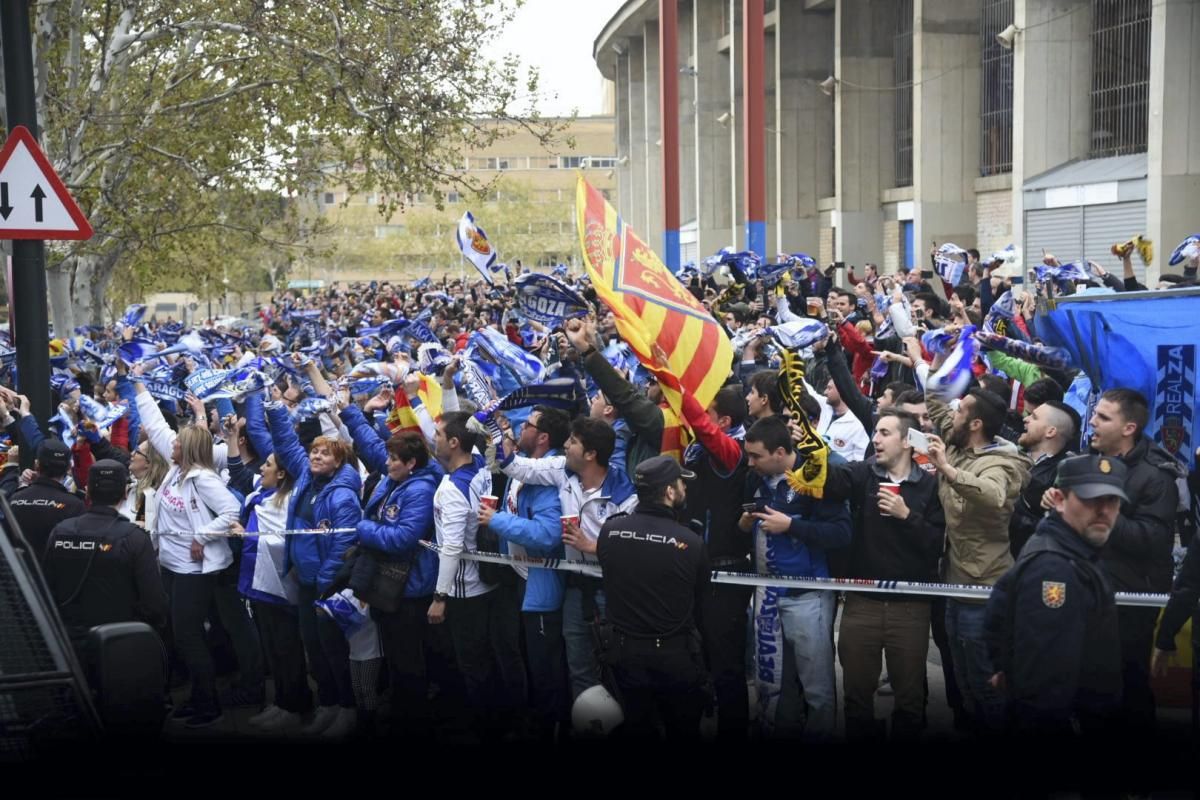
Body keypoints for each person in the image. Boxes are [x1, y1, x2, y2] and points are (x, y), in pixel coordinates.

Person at [567, 455, 709, 740]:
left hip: (624, 656)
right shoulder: (691, 542)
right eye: (680, 483)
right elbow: (701, 602)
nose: (684, 489)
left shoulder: (610, 531)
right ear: (669, 492)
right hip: (674, 656)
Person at [823, 410, 945, 740]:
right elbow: (832, 483)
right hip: (861, 604)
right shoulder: (863, 474)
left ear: (907, 441)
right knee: (856, 697)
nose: (875, 439)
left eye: (885, 433)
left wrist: (907, 516)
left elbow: (937, 545)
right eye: (875, 432)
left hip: (911, 609)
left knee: (909, 700)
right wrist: (810, 449)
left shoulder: (929, 486)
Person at [984, 455, 1125, 736]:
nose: (1103, 510)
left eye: (1112, 501)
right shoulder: (1055, 568)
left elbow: (999, 613)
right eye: (1090, 499)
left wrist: (1007, 668)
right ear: (1059, 500)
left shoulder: (1072, 550)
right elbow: (1045, 681)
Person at [135, 379, 242, 730]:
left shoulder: (203, 479)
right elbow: (155, 424)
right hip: (172, 566)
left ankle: (207, 703)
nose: (171, 444)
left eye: (177, 442)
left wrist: (202, 535)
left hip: (195, 572)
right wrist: (138, 386)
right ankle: (198, 697)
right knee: (182, 635)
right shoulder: (177, 470)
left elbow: (232, 511)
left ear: (189, 449)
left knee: (189, 636)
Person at [925, 386, 1031, 734]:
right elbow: (938, 404)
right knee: (965, 687)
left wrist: (947, 469)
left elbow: (994, 494)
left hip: (983, 591)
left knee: (989, 690)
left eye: (960, 411)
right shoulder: (957, 442)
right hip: (954, 587)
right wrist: (935, 360)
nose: (951, 415)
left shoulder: (1002, 461)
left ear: (976, 424)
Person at [740, 415, 852, 739]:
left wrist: (791, 526)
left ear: (778, 452)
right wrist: (744, 524)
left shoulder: (814, 479)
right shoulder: (756, 480)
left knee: (817, 690)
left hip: (808, 598)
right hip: (767, 596)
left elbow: (842, 533)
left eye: (756, 456)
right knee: (774, 685)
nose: (750, 463)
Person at [1082, 387, 1183, 733]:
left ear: (1129, 428)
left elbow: (1152, 541)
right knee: (1088, 691)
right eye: (1095, 414)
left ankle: (1135, 776)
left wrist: (1101, 511)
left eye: (1103, 417)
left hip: (1129, 602)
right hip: (1089, 592)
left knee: (1128, 691)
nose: (1093, 422)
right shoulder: (1091, 460)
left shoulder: (1156, 476)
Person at [264, 399, 363, 738]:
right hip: (306, 582)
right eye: (314, 452)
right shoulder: (307, 476)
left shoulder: (343, 495)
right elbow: (285, 444)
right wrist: (275, 407)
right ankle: (329, 705)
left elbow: (343, 547)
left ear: (338, 462)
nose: (315, 457)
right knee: (314, 649)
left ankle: (348, 710)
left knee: (333, 651)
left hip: (327, 585)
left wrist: (324, 582)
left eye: (324, 454)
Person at [429, 411, 526, 738]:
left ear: (454, 443)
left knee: (474, 665)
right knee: (492, 660)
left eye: (440, 435)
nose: (435, 437)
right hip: (488, 584)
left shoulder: (455, 488)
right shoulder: (479, 470)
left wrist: (440, 597)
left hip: (466, 591)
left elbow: (452, 547)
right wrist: (447, 385)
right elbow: (461, 425)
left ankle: (488, 727)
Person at [482, 406, 570, 739]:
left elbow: (547, 536)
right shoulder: (523, 468)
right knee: (527, 660)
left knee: (546, 668)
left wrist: (496, 521)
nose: (520, 427)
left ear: (543, 437)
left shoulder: (549, 479)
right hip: (519, 579)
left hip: (542, 587)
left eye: (528, 424)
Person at [43, 459, 168, 652]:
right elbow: (155, 604)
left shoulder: (59, 532)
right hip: (121, 645)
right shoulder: (134, 538)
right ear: (125, 493)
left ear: (88, 492)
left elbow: (47, 588)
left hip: (67, 646)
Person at [1010, 400, 1077, 557]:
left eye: (1034, 417)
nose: (1025, 419)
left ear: (1050, 431)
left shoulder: (1062, 476)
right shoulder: (1010, 452)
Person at [8, 438, 86, 559]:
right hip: (56, 576)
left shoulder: (15, 499)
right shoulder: (75, 505)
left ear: (37, 465)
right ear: (69, 467)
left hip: (19, 575)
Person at [819, 378, 869, 463]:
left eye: (829, 388)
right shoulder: (825, 408)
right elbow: (807, 390)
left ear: (841, 391)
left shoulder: (859, 423)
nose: (825, 392)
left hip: (839, 474)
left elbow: (860, 462)